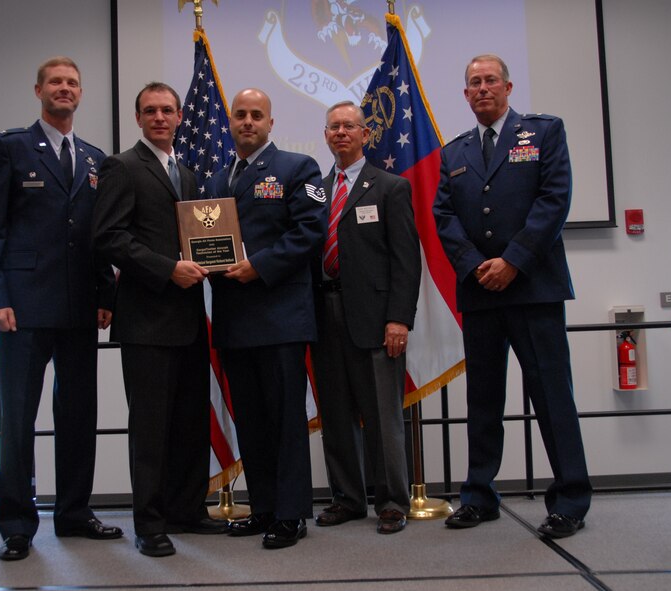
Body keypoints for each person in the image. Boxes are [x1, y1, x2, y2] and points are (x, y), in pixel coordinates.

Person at [433, 54, 592, 538]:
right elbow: (445, 216)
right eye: (473, 83)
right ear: (465, 95)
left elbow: (554, 200)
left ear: (507, 86)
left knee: (552, 397)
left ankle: (570, 500)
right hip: (480, 290)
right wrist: (474, 266)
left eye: (490, 81)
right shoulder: (454, 151)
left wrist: (513, 261)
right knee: (482, 399)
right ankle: (479, 496)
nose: (482, 89)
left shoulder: (543, 132)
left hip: (533, 289)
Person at [0, 56, 121, 562]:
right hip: (23, 309)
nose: (65, 89)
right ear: (38, 88)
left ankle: (74, 513)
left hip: (80, 309)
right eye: (56, 82)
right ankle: (17, 522)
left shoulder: (96, 157)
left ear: (81, 94)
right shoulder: (11, 147)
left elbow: (98, 237)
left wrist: (107, 296)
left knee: (79, 417)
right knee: (17, 418)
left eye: (73, 83)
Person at [92, 81, 227, 558]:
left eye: (167, 110)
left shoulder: (186, 175)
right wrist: (167, 268)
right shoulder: (122, 167)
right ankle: (149, 524)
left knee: (190, 422)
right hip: (147, 321)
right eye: (150, 111)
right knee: (150, 428)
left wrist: (212, 261)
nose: (160, 118)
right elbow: (108, 237)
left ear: (179, 116)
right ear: (139, 118)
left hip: (189, 319)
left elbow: (195, 239)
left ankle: (186, 510)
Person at [204, 88, 327, 549]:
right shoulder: (217, 181)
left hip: (280, 317)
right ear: (230, 122)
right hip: (236, 319)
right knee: (251, 422)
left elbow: (310, 231)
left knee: (285, 422)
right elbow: (208, 241)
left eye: (257, 115)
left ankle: (292, 514)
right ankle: (264, 509)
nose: (248, 122)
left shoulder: (298, 169)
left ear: (271, 123)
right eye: (240, 115)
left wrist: (260, 265)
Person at [311, 101, 421, 535]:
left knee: (382, 416)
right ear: (325, 135)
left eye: (349, 126)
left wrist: (399, 319)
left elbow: (406, 260)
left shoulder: (390, 187)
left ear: (365, 134)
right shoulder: (316, 192)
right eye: (333, 127)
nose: (341, 133)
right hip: (324, 315)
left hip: (377, 321)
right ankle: (348, 498)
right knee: (336, 416)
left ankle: (392, 501)